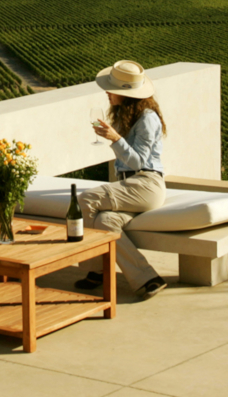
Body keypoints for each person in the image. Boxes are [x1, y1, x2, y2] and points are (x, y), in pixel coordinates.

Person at [76, 60, 169, 298]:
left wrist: (115, 138)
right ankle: (148, 278)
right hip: (130, 186)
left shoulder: (147, 118)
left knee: (85, 199)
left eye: (111, 88)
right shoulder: (125, 115)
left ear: (126, 93)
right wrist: (115, 136)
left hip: (146, 184)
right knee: (106, 222)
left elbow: (138, 162)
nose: (107, 92)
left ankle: (94, 269)